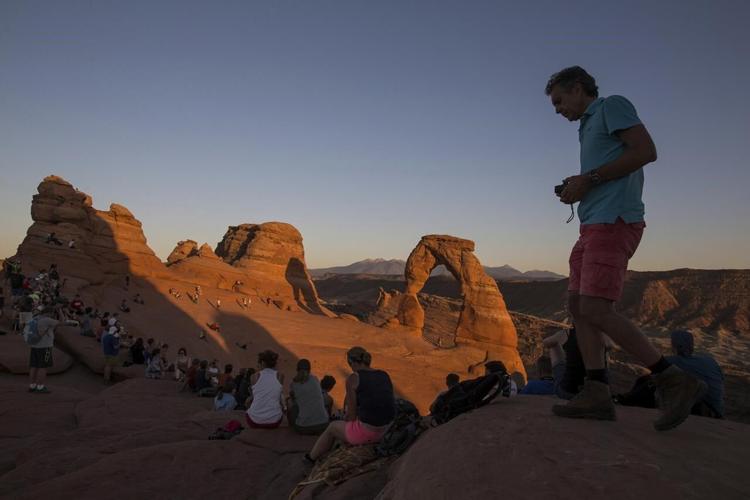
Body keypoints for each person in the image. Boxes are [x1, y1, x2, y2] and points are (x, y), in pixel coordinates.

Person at [545, 66, 706, 430]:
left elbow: (646, 151)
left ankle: (672, 378)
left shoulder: (610, 106)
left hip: (614, 221)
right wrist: (577, 184)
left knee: (596, 308)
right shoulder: (588, 126)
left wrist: (590, 178)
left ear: (576, 88)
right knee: (576, 306)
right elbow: (602, 171)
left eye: (559, 101)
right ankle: (597, 392)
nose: (557, 110)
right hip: (591, 225)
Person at [307, 347, 395, 462]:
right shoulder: (384, 374)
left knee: (332, 427)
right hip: (387, 429)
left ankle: (310, 458)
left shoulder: (354, 378)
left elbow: (351, 416)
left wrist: (345, 417)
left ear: (352, 362)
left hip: (369, 433)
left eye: (349, 363)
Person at [666, 330, 725, 418]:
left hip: (703, 413)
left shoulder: (671, 361)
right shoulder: (710, 361)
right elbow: (721, 381)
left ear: (673, 345)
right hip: (717, 413)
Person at [287, 359, 330, 435]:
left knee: (290, 403)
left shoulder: (293, 384)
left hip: (304, 428)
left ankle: (291, 426)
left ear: (297, 370)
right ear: (310, 370)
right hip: (323, 425)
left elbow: (294, 402)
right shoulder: (315, 379)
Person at [246, 350, 285, 429]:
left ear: (262, 363)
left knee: (248, 402)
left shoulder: (254, 377)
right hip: (274, 422)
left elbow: (254, 397)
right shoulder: (280, 376)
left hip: (254, 422)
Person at [27, 307, 59, 393]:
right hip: (45, 347)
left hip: (34, 345)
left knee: (34, 366)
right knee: (43, 367)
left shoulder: (35, 318)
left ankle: (32, 385)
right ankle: (40, 387)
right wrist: (60, 311)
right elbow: (62, 322)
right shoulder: (47, 320)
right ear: (50, 313)